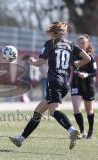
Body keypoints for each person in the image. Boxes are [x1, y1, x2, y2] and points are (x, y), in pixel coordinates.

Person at [9, 22, 91, 150]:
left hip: (54, 81)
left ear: (54, 32)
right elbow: (87, 58)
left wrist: (31, 61)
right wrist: (76, 64)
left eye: (50, 31)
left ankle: (72, 130)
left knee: (53, 111)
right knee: (38, 111)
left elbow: (40, 62)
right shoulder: (70, 45)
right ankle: (20, 139)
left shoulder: (50, 43)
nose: (49, 33)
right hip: (65, 83)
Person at [71, 34, 96, 139]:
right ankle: (82, 131)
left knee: (89, 110)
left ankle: (91, 130)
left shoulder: (91, 57)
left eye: (83, 43)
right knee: (76, 108)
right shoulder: (73, 54)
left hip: (88, 86)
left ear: (87, 44)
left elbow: (94, 72)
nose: (81, 45)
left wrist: (86, 74)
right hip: (76, 84)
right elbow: (72, 66)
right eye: (79, 43)